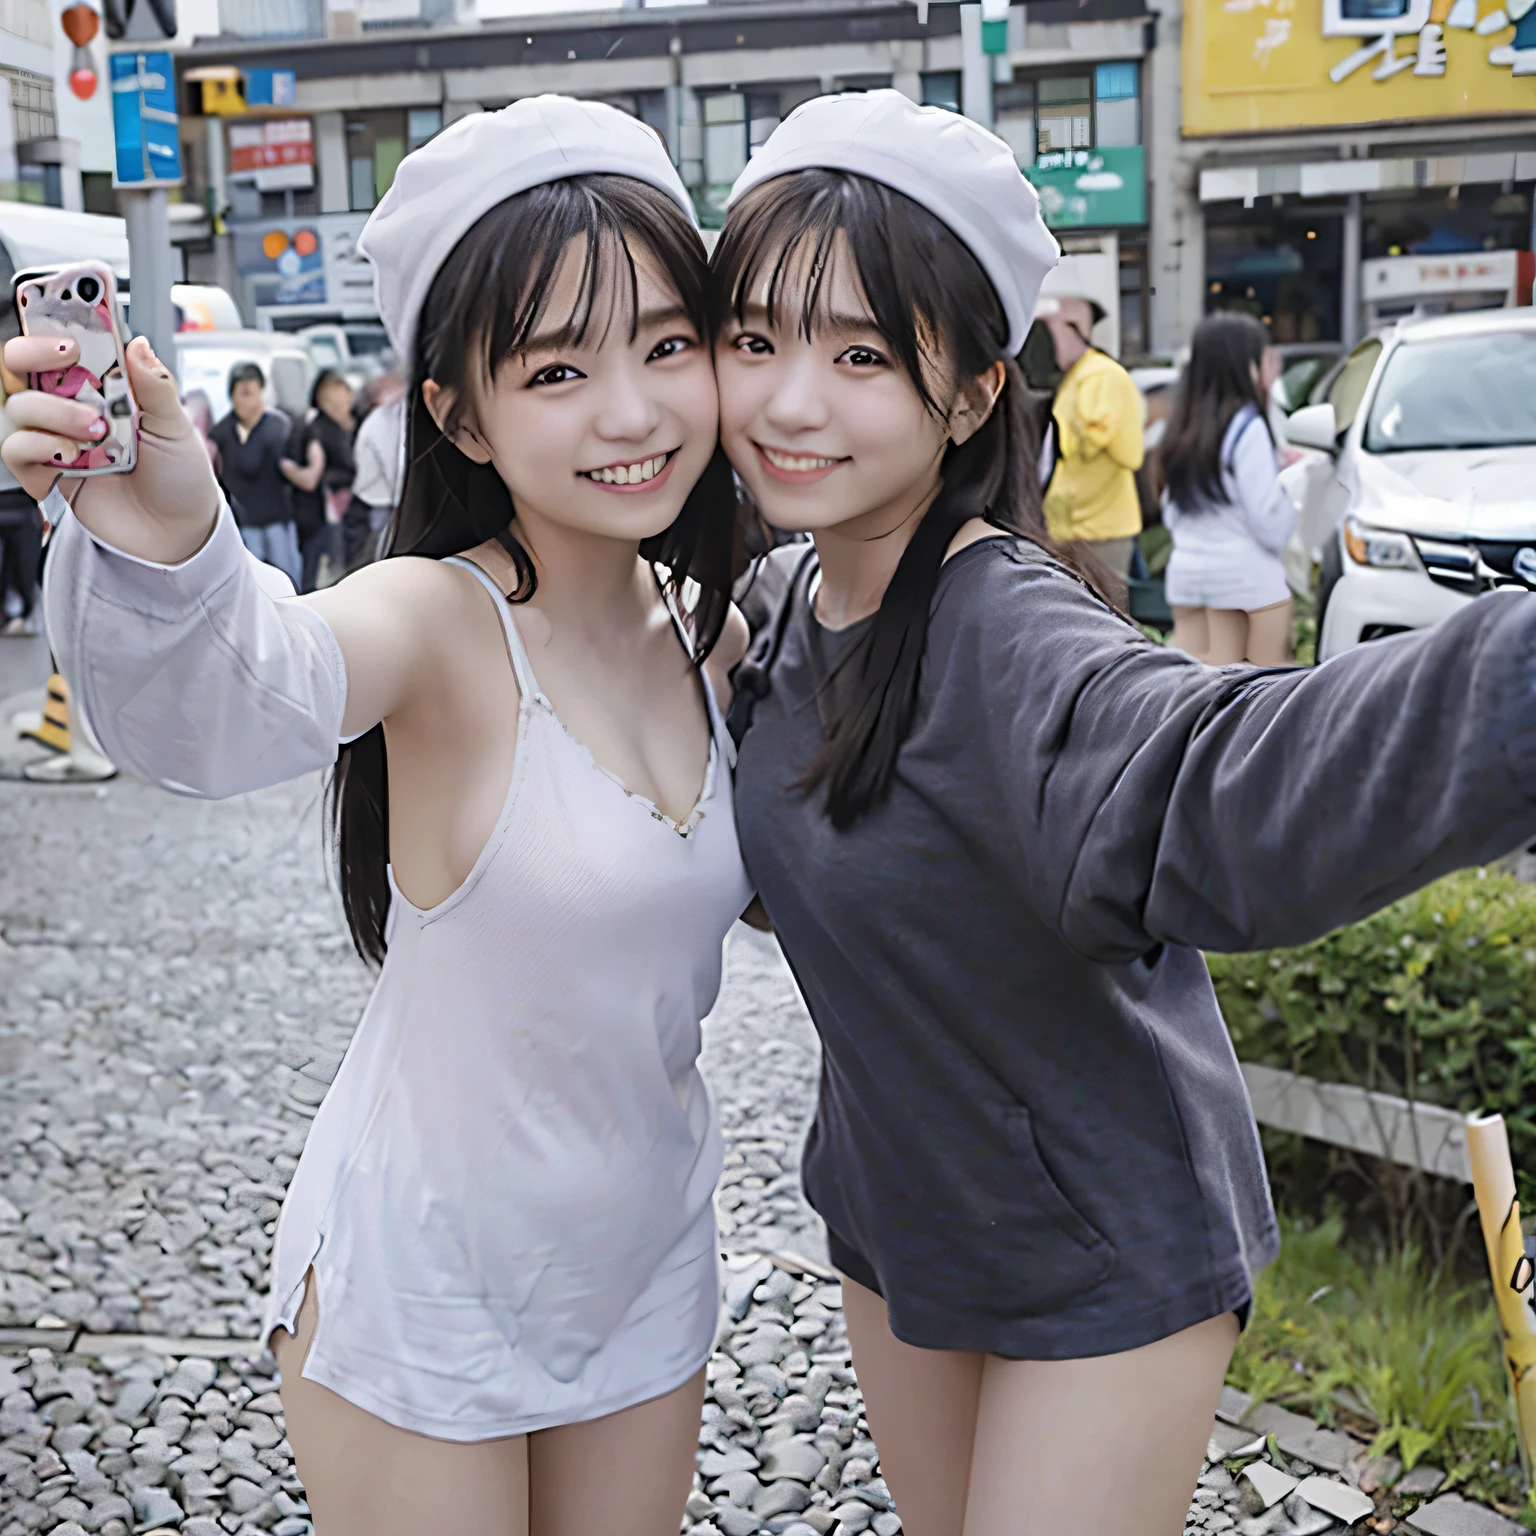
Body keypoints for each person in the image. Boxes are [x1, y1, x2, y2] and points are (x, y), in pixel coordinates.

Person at [713, 90, 1536, 1536]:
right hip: (901, 1213)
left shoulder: (1003, 631)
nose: (790, 397)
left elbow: (1225, 788)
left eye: (859, 353)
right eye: (754, 338)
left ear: (972, 390)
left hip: (1097, 1239)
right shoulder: (778, 610)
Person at [5, 97, 750, 1536]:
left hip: (646, 1262)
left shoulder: (712, 634)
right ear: (459, 408)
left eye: (668, 344)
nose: (633, 410)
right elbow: (236, 699)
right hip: (429, 1280)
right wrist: (168, 535)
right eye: (557, 367)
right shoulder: (437, 616)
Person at [1162, 313, 1297, 666]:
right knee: (1263, 698)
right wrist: (1290, 488)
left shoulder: (1184, 427)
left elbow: (1171, 510)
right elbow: (1269, 522)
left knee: (1196, 697)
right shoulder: (1248, 425)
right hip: (1247, 583)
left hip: (1187, 579)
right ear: (1247, 364)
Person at [1039, 291, 1144, 603]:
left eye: (1051, 329)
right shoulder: (1078, 377)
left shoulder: (1100, 376)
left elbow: (1101, 441)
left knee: (1104, 624)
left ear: (1075, 329)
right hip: (1074, 529)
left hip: (1096, 530)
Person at [209, 361, 301, 590]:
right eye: (240, 392)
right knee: (251, 582)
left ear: (261, 392)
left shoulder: (279, 427)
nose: (245, 400)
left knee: (288, 577)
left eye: (250, 392)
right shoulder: (221, 432)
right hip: (244, 521)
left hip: (277, 518)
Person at [282, 369, 356, 593]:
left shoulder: (352, 423)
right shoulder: (318, 429)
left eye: (344, 394)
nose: (341, 402)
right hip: (323, 513)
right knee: (321, 570)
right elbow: (314, 474)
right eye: (332, 397)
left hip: (347, 510)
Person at [348, 370, 407, 569]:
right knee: (379, 566)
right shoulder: (383, 421)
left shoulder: (382, 419)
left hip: (382, 507)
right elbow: (395, 471)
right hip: (380, 507)